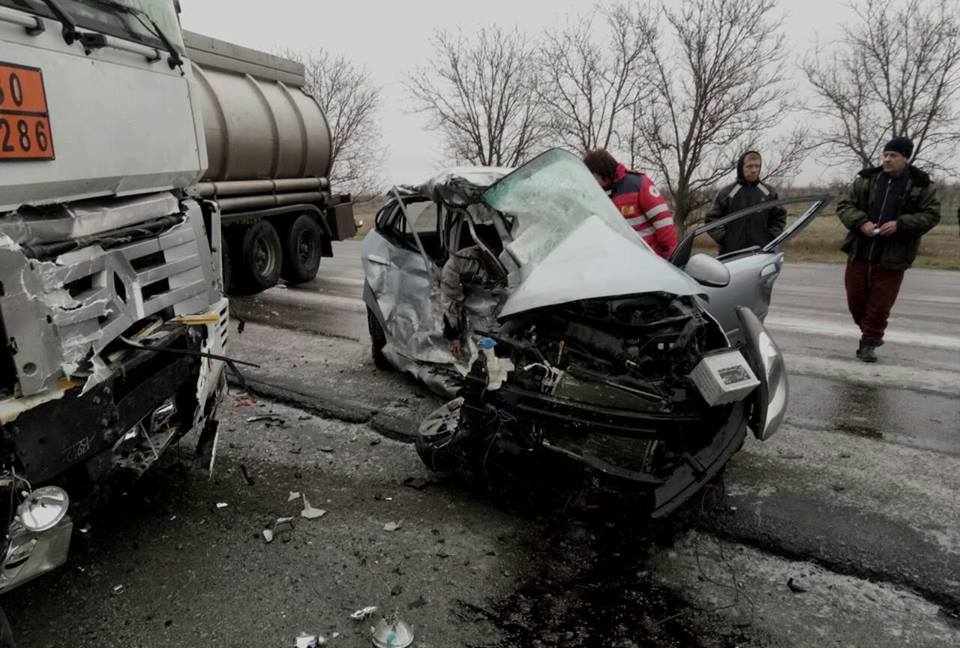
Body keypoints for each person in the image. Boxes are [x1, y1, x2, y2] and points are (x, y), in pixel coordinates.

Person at [836, 136, 941, 363]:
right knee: (856, 300)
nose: (887, 160)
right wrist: (861, 222)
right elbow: (845, 205)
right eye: (885, 155)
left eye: (893, 156)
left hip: (893, 255)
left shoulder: (921, 185)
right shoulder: (867, 180)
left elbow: (931, 215)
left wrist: (900, 224)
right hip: (861, 250)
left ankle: (869, 343)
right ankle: (869, 331)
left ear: (906, 158)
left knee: (880, 304)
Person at [583, 149, 676, 259]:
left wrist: (670, 256)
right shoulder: (597, 194)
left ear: (602, 172)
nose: (592, 181)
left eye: (593, 176)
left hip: (650, 258)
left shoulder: (638, 184)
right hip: (621, 261)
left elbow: (663, 221)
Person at [703, 150, 787, 255]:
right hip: (731, 254)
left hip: (761, 253)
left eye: (757, 166)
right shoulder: (727, 193)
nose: (754, 170)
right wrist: (726, 239)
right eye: (750, 166)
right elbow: (711, 220)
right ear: (741, 167)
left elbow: (779, 218)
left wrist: (769, 237)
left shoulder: (769, 192)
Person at [440, 227, 503, 360]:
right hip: (476, 319)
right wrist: (453, 335)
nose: (495, 254)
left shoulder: (510, 258)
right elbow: (450, 300)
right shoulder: (458, 263)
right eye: (491, 252)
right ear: (480, 249)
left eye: (498, 252)